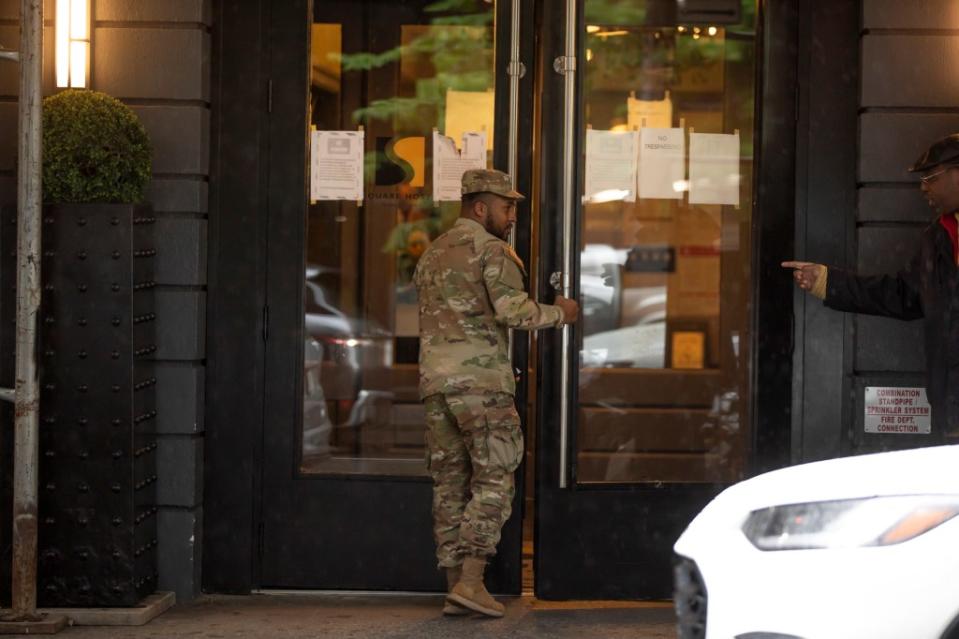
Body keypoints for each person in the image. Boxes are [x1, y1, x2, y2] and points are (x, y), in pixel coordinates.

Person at [414, 168, 579, 618]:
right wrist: (561, 312)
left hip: (436, 384)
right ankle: (471, 581)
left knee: (450, 484)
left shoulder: (432, 253)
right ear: (480, 207)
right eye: (507, 208)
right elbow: (513, 311)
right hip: (481, 385)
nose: (511, 217)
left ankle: (454, 585)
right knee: (494, 477)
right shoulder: (490, 250)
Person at [783, 133, 959, 439]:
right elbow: (903, 295)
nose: (923, 187)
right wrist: (826, 281)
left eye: (930, 177)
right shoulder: (939, 236)